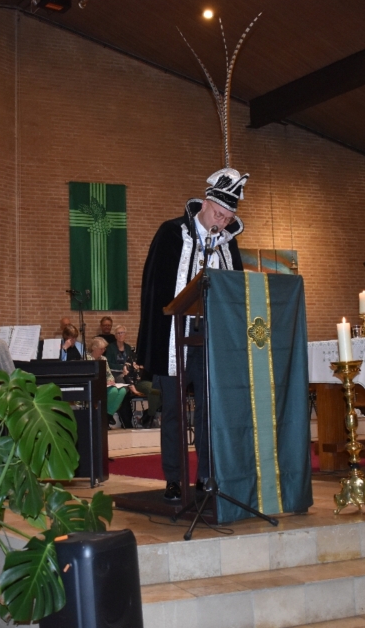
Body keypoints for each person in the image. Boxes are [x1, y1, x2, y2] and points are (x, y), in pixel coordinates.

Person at [136, 168, 248, 501]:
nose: (222, 223)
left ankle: (206, 477)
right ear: (205, 204)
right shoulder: (172, 233)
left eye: (228, 219)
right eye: (218, 215)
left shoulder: (228, 244)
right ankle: (174, 478)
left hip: (211, 337)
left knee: (208, 410)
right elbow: (155, 287)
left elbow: (236, 291)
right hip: (174, 333)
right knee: (173, 410)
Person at [87, 337, 129, 429]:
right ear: (94, 348)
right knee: (113, 391)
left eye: (104, 349)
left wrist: (111, 380)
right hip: (94, 386)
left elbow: (109, 374)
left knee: (122, 391)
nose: (103, 351)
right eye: (101, 349)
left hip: (105, 385)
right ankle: (104, 417)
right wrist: (104, 382)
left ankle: (107, 416)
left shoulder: (103, 359)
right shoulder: (87, 359)